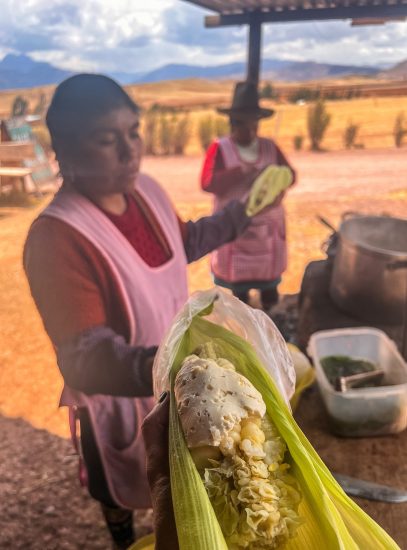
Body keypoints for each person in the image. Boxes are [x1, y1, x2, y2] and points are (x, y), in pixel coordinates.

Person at [23, 74, 274, 549]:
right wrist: (183, 366)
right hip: (117, 397)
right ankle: (120, 538)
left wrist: (241, 215)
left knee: (172, 485)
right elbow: (85, 357)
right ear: (67, 149)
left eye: (133, 132)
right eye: (106, 139)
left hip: (169, 380)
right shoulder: (58, 237)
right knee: (115, 484)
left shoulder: (148, 193)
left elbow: (184, 244)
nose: (129, 150)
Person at [200, 81, 296, 310]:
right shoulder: (220, 148)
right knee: (240, 296)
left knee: (270, 291)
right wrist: (240, 174)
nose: (251, 132)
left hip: (267, 235)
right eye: (245, 126)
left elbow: (290, 175)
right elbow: (207, 183)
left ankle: (274, 320)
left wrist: (276, 186)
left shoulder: (269, 147)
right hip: (235, 231)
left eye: (255, 126)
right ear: (233, 123)